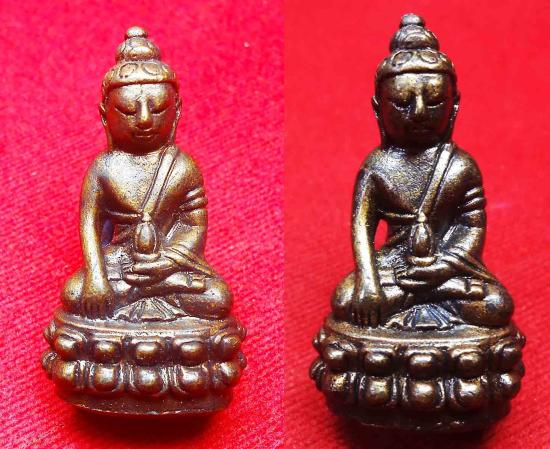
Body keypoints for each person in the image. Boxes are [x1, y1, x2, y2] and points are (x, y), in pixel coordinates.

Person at [332, 14, 513, 329]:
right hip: (394, 267)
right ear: (378, 108)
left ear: (454, 105)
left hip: (446, 267)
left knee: (496, 305)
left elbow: (470, 226)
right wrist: (369, 281)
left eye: (434, 102)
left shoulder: (461, 166)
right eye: (402, 103)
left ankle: (434, 292)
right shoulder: (376, 167)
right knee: (346, 299)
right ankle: (436, 293)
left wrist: (443, 268)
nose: (418, 113)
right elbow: (362, 229)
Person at [62, 27, 232, 320]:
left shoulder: (183, 167)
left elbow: (193, 225)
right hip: (119, 264)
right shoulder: (103, 168)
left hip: (168, 264)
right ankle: (151, 290)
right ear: (104, 115)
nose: (143, 120)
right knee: (75, 293)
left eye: (158, 109)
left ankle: (148, 290)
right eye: (128, 111)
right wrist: (97, 276)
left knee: (218, 298)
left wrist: (167, 262)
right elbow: (90, 225)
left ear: (177, 110)